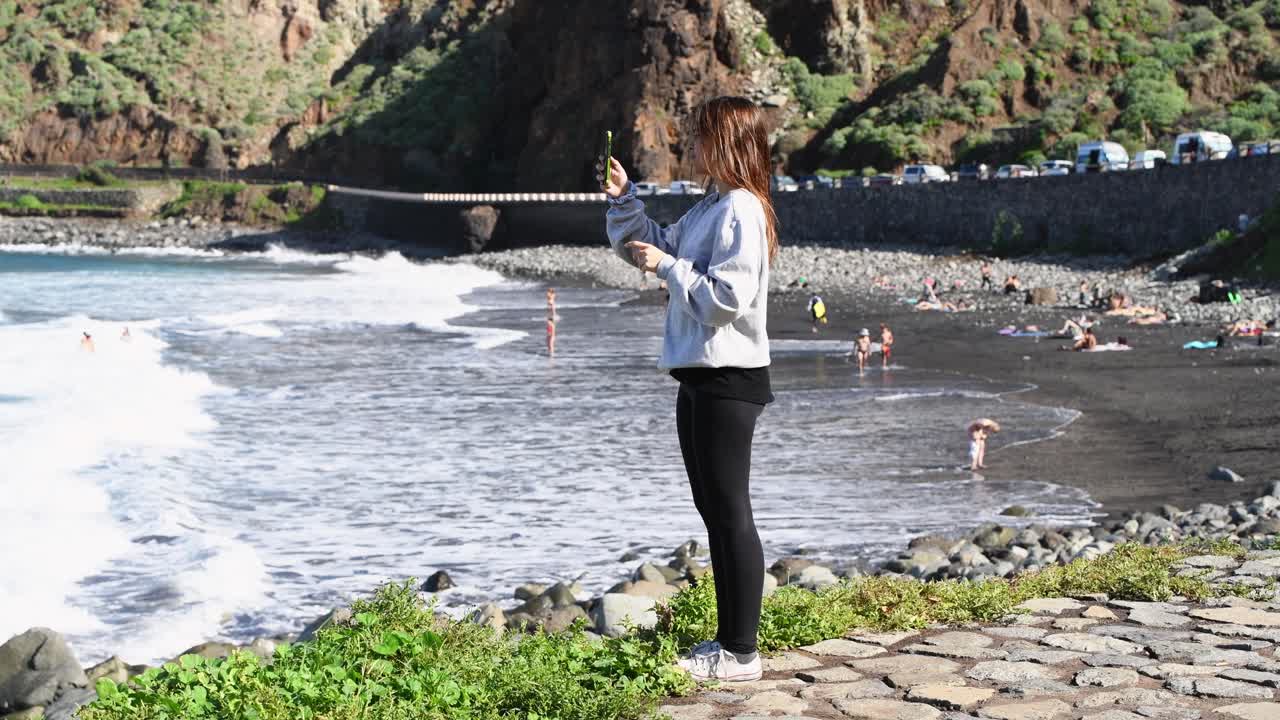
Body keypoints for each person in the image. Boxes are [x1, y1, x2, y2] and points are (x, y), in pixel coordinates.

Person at [602, 96, 776, 683]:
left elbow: (726, 298)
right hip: (701, 373)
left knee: (730, 512)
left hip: (730, 376)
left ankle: (741, 654)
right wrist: (626, 202)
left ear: (727, 143)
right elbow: (654, 244)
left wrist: (666, 269)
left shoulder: (743, 210)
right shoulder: (712, 206)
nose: (693, 148)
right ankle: (730, 644)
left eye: (702, 138)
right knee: (714, 510)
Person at [545, 288, 559, 356]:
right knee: (551, 337)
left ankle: (550, 352)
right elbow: (552, 312)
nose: (546, 294)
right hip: (551, 321)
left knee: (549, 337)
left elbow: (552, 312)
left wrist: (554, 317)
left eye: (548, 292)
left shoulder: (550, 302)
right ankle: (551, 352)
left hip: (550, 321)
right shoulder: (551, 302)